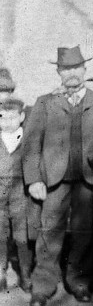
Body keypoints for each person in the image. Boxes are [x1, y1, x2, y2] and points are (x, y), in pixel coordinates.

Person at [24, 46, 93, 306]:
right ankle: (43, 286)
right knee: (49, 231)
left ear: (84, 70)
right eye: (66, 69)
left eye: (77, 68)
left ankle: (79, 281)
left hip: (89, 178)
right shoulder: (45, 102)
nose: (72, 73)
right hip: (53, 179)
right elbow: (30, 144)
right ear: (58, 71)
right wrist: (34, 179)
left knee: (84, 232)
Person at [0, 98, 32, 292]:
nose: (7, 122)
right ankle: (0, 273)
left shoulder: (27, 139)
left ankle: (26, 274)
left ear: (21, 117)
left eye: (13, 117)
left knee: (22, 236)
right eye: (3, 118)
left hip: (20, 190)